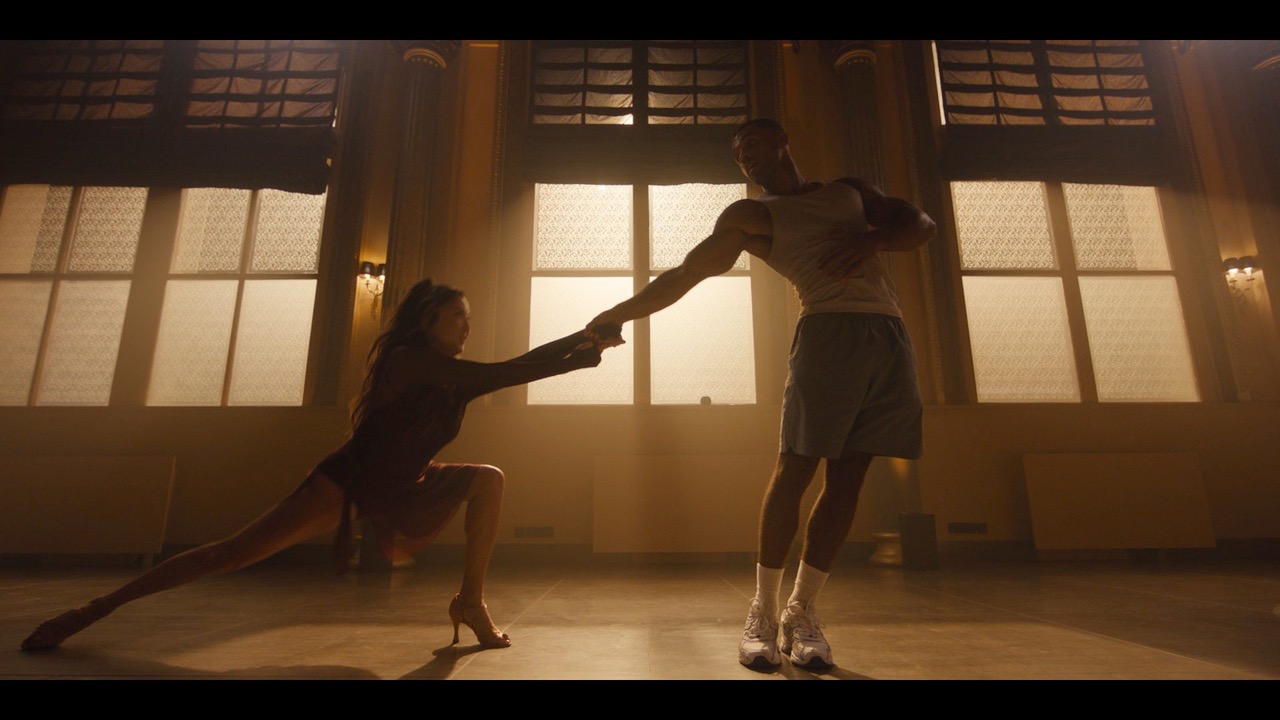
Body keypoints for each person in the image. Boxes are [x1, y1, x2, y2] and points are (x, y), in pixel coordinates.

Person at [22, 278, 605, 652]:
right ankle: (91, 611)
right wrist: (575, 354)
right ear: (427, 321)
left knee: (488, 481)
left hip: (406, 486)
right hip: (346, 486)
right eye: (458, 316)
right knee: (231, 553)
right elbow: (502, 371)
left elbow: (506, 370)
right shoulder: (408, 361)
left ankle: (470, 601)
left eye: (467, 317)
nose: (467, 326)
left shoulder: (454, 380)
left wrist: (581, 343)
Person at [586, 118, 935, 670]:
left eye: (750, 144)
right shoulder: (750, 216)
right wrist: (616, 313)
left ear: (781, 142)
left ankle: (803, 613)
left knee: (849, 476)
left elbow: (920, 223)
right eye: (737, 153)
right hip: (827, 330)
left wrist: (873, 240)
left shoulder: (849, 192)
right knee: (796, 468)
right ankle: (763, 614)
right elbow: (686, 273)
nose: (744, 156)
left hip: (889, 335)